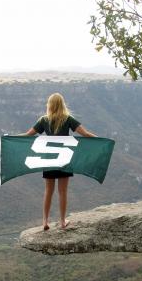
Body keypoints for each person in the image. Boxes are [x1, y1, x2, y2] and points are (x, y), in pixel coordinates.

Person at [20, 92, 97, 231]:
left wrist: (10, 137)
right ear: (62, 104)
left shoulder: (43, 120)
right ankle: (62, 221)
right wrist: (100, 140)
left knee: (48, 190)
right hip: (64, 159)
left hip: (48, 159)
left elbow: (27, 135)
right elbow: (85, 134)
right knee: (63, 192)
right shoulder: (68, 119)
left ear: (49, 105)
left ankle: (45, 221)